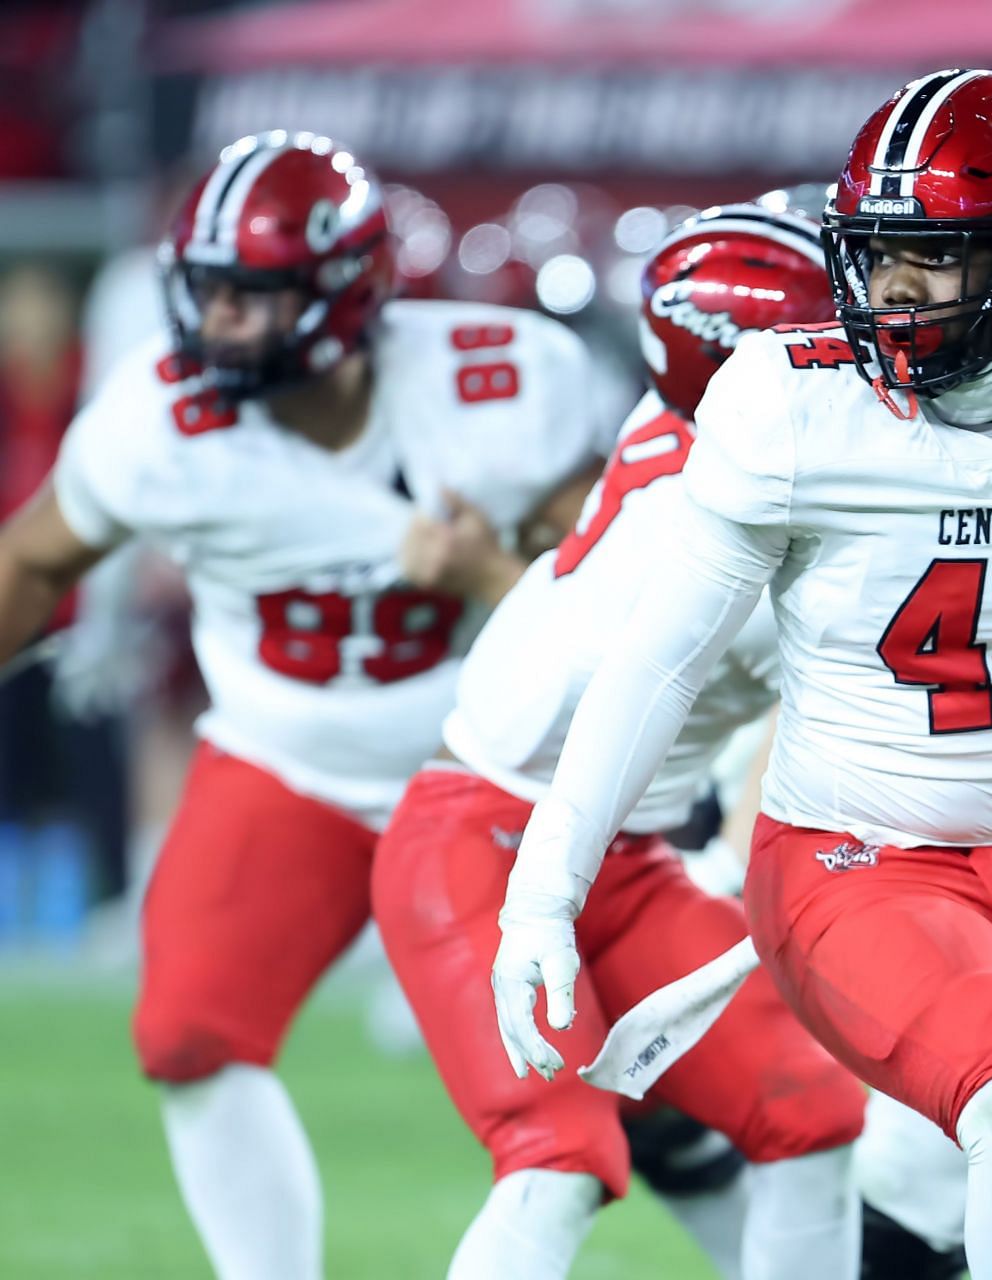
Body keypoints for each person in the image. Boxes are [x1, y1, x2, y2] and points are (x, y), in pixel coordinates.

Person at [490, 69, 992, 1280]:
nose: (890, 292)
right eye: (874, 254)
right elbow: (660, 658)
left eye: (933, 257)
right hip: (848, 859)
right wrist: (544, 890)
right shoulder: (794, 401)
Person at [0, 131, 609, 1280]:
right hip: (288, 758)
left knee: (632, 1097)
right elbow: (33, 560)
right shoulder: (157, 424)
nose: (216, 324)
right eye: (208, 292)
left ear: (343, 295)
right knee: (188, 1028)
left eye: (251, 297)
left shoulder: (506, 380)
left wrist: (500, 571)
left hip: (488, 766)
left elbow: (627, 578)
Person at [371, 205, 868, 1280]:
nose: (868, 362)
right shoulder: (731, 531)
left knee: (814, 1107)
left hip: (620, 856)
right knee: (557, 1155)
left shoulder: (686, 410)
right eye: (834, 343)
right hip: (484, 845)